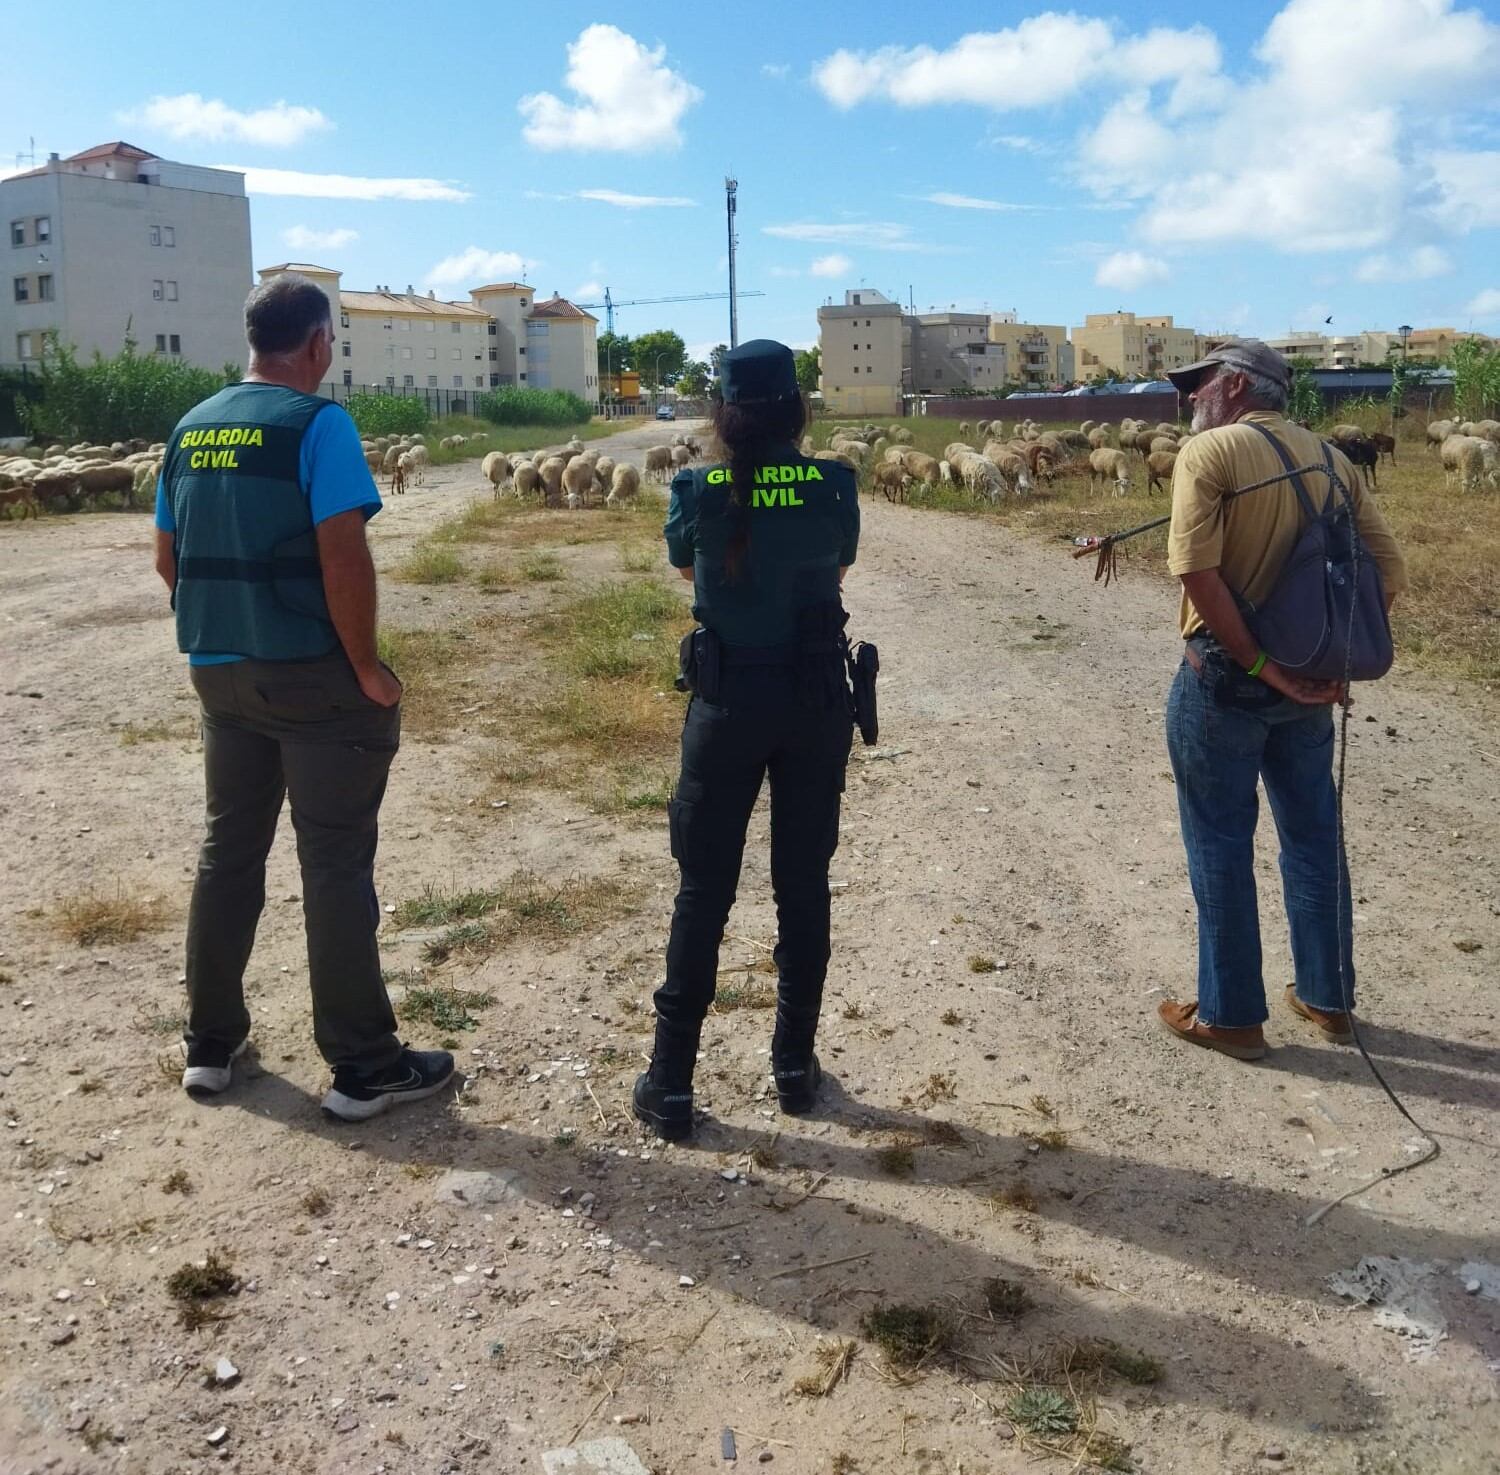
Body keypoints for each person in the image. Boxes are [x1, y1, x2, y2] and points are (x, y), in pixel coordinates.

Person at [153, 273, 454, 1120]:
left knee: (228, 851)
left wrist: (223, 631)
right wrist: (366, 666)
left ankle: (210, 1043)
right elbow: (343, 557)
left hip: (220, 674)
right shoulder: (318, 425)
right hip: (312, 679)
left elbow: (167, 559)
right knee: (331, 862)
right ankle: (364, 1066)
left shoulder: (190, 427)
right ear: (319, 342)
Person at [1155, 338, 1407, 1061]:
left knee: (1221, 843)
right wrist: (1330, 660)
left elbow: (1198, 576)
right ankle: (1326, 998)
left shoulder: (1209, 454)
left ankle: (1231, 1016)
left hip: (1224, 682)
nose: (1191, 396)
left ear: (1234, 386)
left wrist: (1265, 663)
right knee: (1313, 837)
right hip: (1310, 692)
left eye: (1198, 384)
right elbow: (1389, 569)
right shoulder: (1332, 460)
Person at [633, 340, 860, 1140]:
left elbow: (691, 572)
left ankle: (671, 1082)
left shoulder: (695, 486)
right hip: (812, 701)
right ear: (797, 409)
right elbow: (834, 573)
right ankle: (794, 1066)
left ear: (722, 414)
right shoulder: (834, 482)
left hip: (727, 704)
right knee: (803, 883)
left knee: (703, 890)